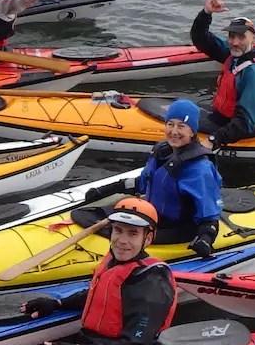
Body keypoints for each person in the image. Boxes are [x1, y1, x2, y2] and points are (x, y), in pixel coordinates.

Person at [21, 198, 177, 345]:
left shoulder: (151, 285)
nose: (122, 240)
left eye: (133, 233)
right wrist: (58, 304)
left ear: (147, 239)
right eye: (118, 230)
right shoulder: (115, 260)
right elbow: (102, 296)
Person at [80, 99, 223, 254]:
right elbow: (141, 183)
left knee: (119, 230)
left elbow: (209, 215)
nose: (174, 131)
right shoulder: (161, 151)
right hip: (151, 215)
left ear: (192, 131)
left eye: (181, 126)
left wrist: (205, 239)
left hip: (177, 227)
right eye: (170, 124)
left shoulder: (199, 167)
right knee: (84, 215)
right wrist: (104, 190)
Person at [189, 0, 255, 146]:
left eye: (241, 37)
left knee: (179, 119)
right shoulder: (233, 55)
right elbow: (200, 39)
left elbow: (244, 123)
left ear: (253, 39)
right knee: (180, 107)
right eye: (231, 37)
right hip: (222, 117)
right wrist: (206, 12)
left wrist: (213, 140)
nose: (235, 42)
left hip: (242, 129)